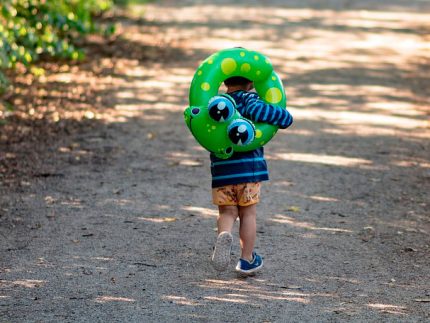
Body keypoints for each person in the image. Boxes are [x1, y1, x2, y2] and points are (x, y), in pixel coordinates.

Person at [211, 76, 293, 275]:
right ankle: (246, 260)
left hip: (222, 170)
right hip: (249, 170)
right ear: (251, 83)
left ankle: (224, 235)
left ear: (224, 81)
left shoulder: (216, 104)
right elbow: (283, 119)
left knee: (227, 212)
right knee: (248, 213)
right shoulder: (250, 100)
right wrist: (285, 114)